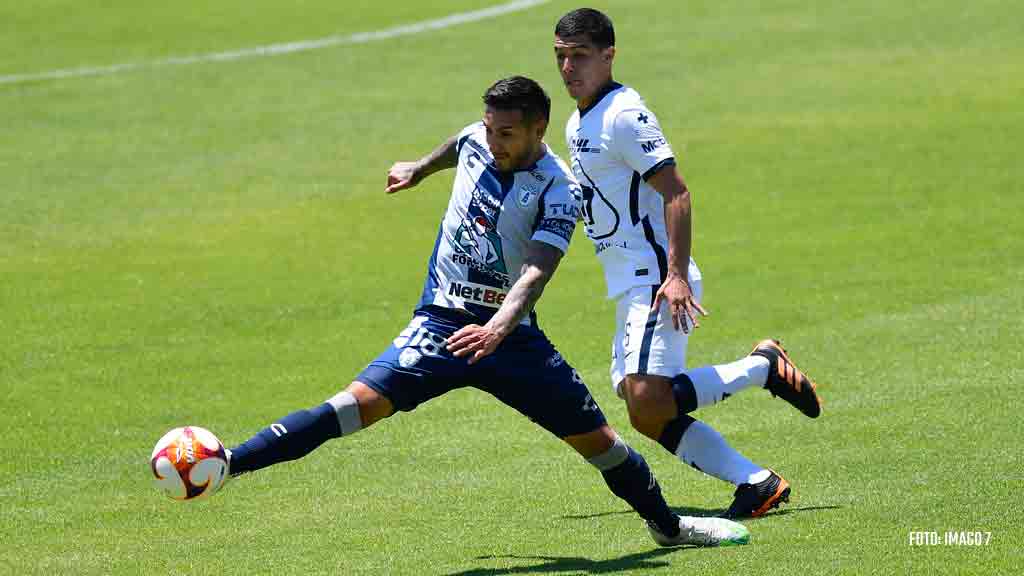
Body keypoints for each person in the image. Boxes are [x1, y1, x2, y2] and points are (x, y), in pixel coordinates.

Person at [214, 76, 750, 547]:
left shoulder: (559, 190)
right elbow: (459, 143)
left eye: (507, 135)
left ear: (539, 129)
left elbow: (536, 271)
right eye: (490, 130)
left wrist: (496, 328)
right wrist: (419, 169)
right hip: (441, 324)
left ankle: (669, 528)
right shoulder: (479, 138)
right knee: (352, 407)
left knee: (602, 445)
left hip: (512, 339)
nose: (493, 143)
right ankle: (231, 463)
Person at [552, 8, 823, 518]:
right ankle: (757, 483)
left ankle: (762, 369)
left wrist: (675, 275)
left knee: (648, 401)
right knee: (645, 411)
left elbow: (676, 192)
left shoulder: (623, 115)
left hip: (655, 278)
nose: (568, 68)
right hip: (628, 281)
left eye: (580, 56)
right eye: (561, 57)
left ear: (608, 55)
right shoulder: (578, 120)